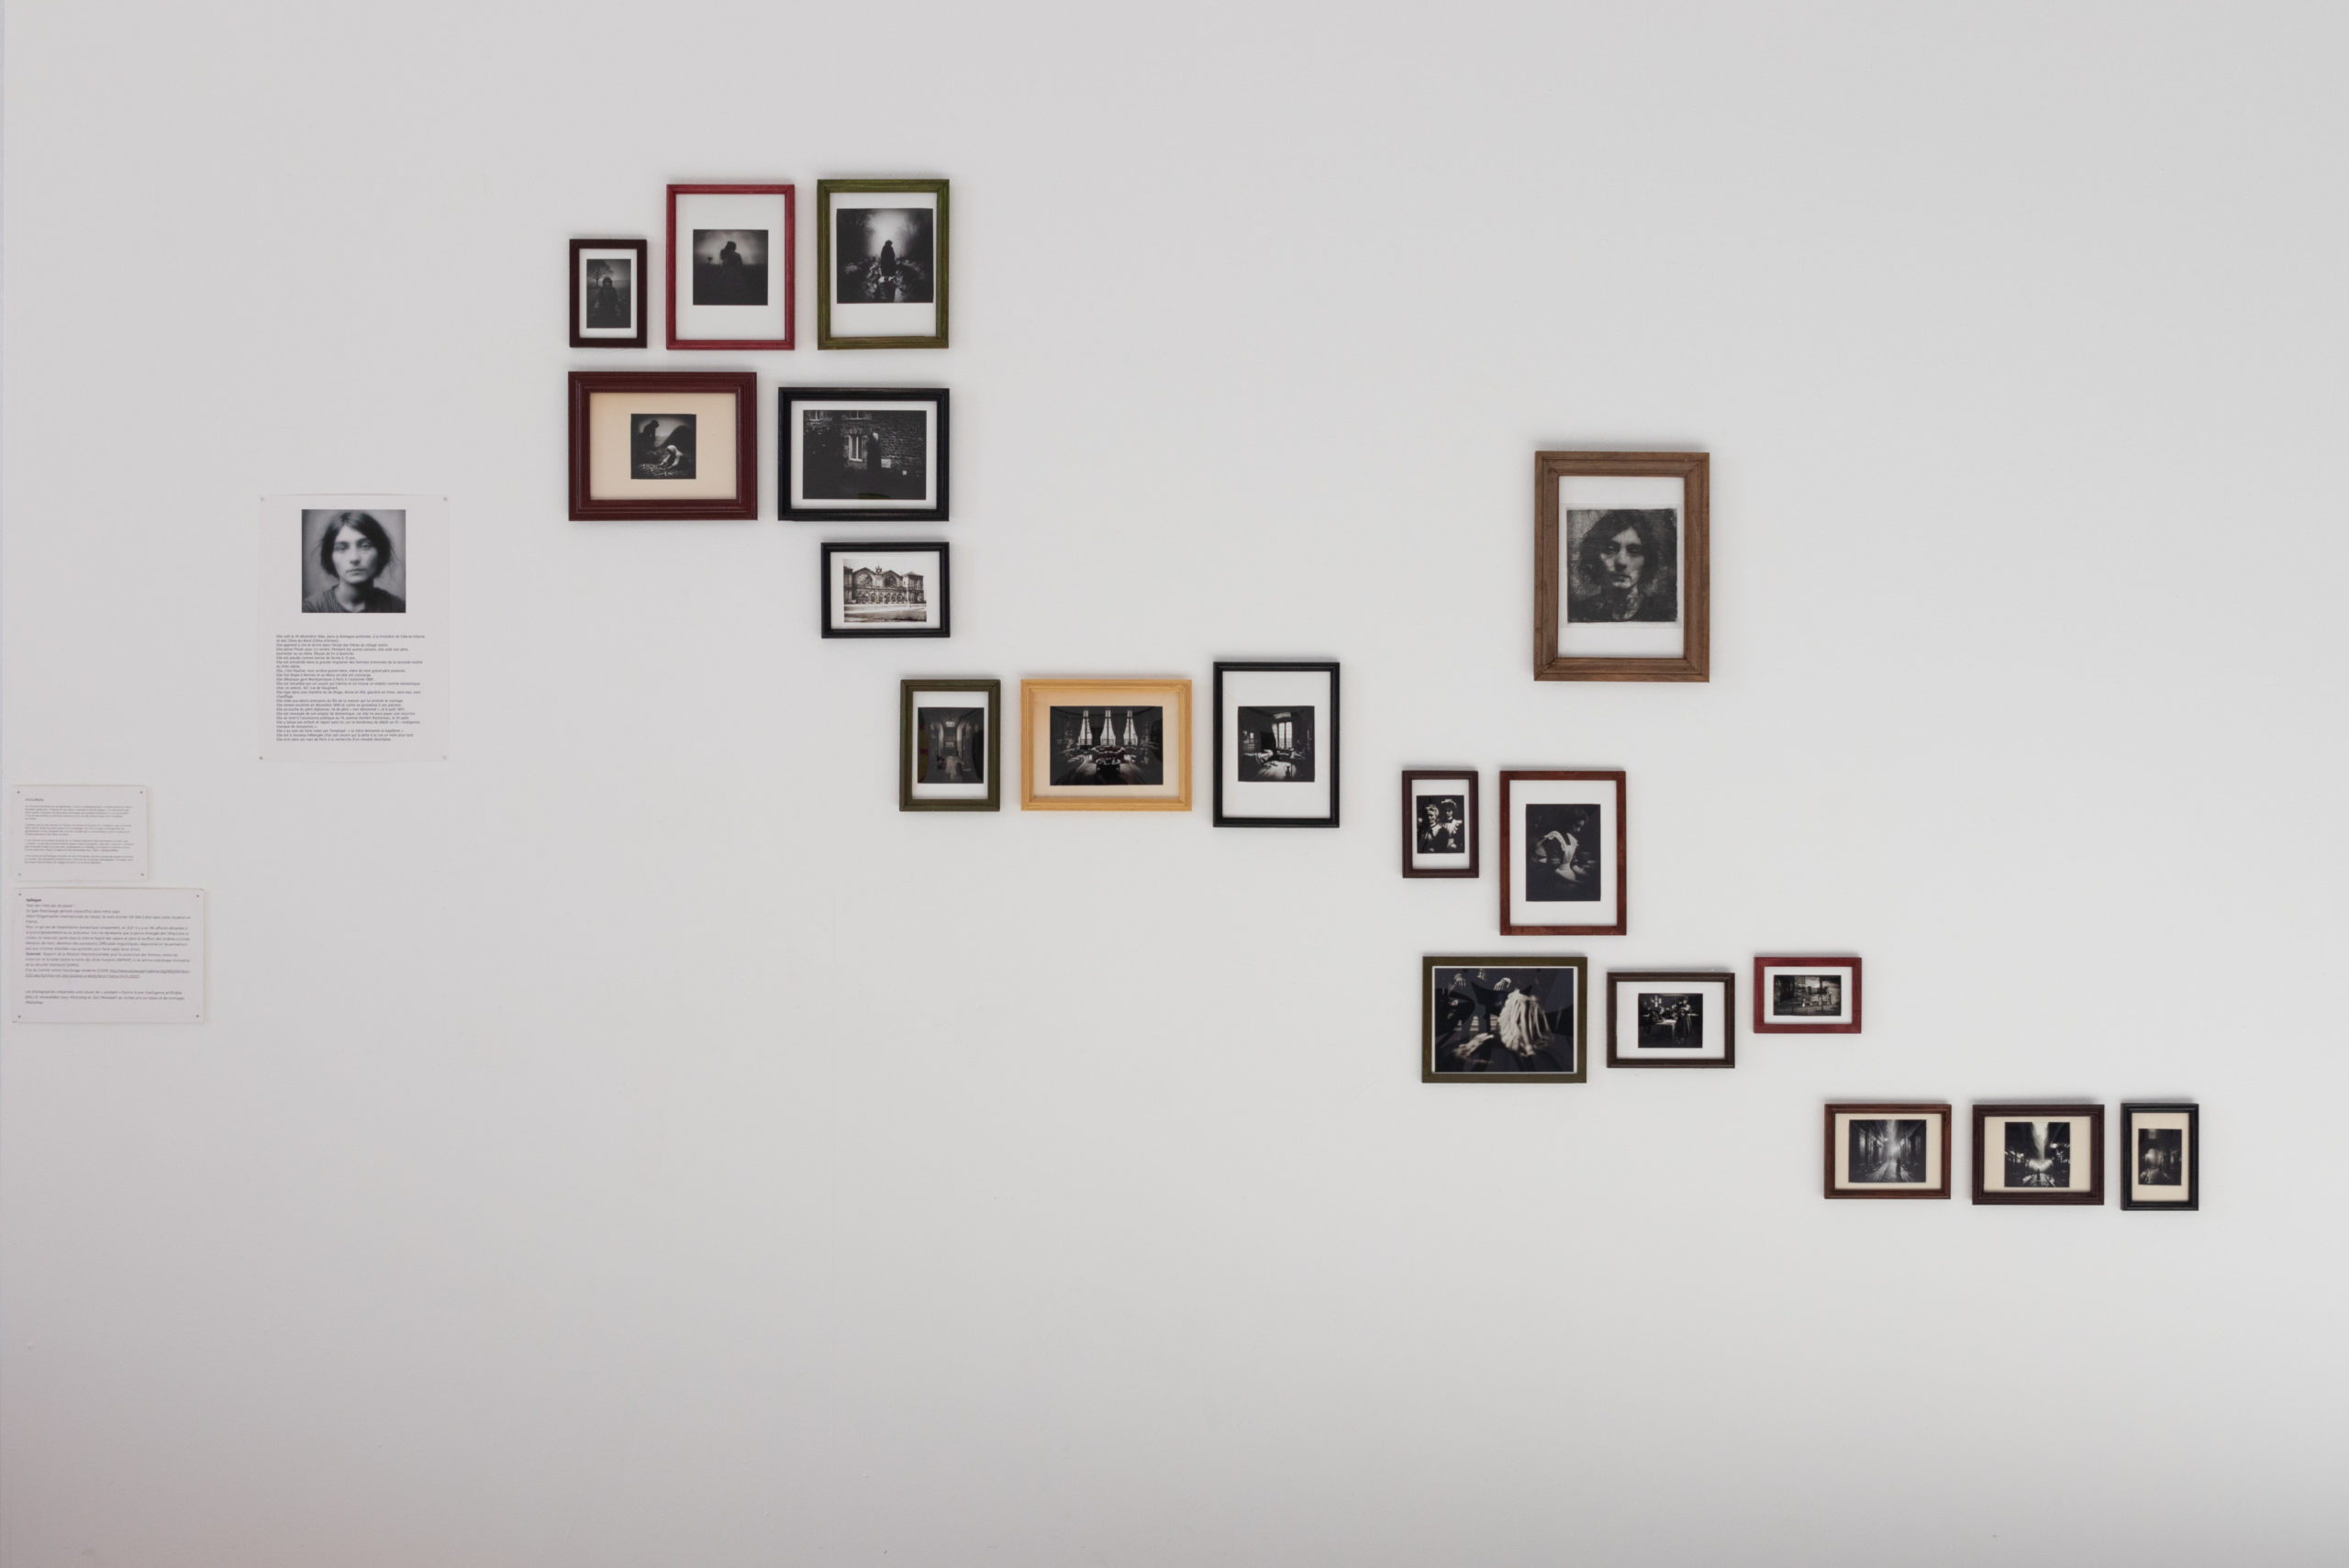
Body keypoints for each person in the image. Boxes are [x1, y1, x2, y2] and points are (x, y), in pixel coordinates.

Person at [1568, 509, 1676, 623]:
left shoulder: (1663, 615)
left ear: (1647, 560)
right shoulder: (1579, 614)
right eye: (1610, 550)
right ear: (1594, 556)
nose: (1621, 562)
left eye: (1634, 551)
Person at [302, 511, 405, 614]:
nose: (354, 558)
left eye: (365, 546)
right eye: (341, 548)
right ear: (330, 557)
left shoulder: (399, 608)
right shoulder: (311, 609)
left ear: (380, 553)